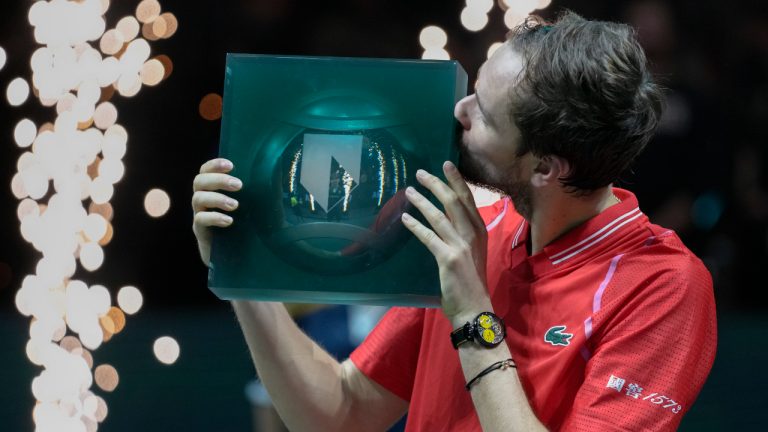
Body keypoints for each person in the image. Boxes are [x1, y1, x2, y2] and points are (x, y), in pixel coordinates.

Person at [192, 12, 716, 431]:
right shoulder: (471, 229)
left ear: (545, 167)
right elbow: (338, 415)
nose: (459, 111)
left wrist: (470, 312)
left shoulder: (664, 287)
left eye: (484, 115)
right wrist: (241, 270)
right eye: (475, 89)